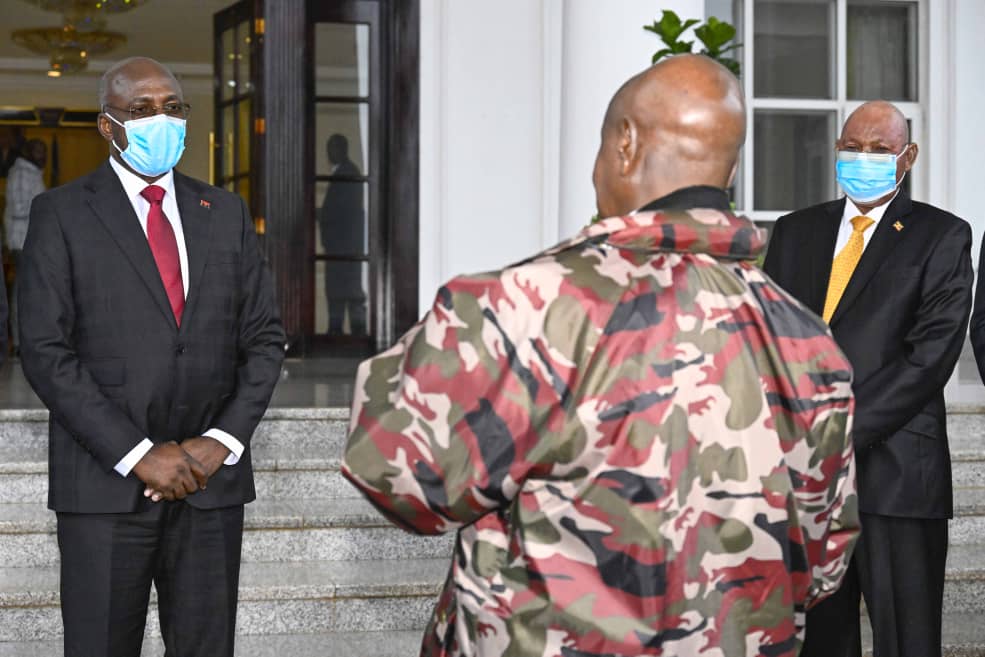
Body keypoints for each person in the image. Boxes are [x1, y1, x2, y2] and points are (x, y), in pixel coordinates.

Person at [343, 54, 859, 657]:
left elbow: (397, 470)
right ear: (732, 165)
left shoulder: (528, 304)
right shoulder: (808, 342)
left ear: (625, 143)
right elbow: (823, 562)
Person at [17, 57, 285, 657]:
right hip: (106, 486)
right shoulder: (60, 214)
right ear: (108, 126)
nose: (159, 119)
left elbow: (264, 338)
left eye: (171, 107)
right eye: (140, 109)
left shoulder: (226, 212)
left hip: (210, 485)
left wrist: (220, 441)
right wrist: (139, 455)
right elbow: (44, 350)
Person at [763, 101, 973, 657]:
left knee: (907, 639)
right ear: (836, 151)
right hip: (806, 481)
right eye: (852, 146)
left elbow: (929, 358)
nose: (864, 158)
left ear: (909, 156)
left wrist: (837, 431)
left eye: (880, 149)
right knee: (815, 640)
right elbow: (769, 342)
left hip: (898, 474)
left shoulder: (942, 235)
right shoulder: (793, 232)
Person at [319, 133, 367, 335]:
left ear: (343, 149)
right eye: (329, 147)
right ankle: (342, 333)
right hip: (344, 248)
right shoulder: (346, 173)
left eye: (335, 147)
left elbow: (340, 211)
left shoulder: (347, 174)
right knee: (343, 294)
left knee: (344, 294)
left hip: (343, 249)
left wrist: (321, 214)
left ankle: (343, 336)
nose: (330, 152)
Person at [3, 138, 47, 354]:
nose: (42, 155)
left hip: (29, 240)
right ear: (28, 152)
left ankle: (25, 341)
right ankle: (19, 343)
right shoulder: (22, 173)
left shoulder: (31, 172)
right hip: (22, 241)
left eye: (43, 150)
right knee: (23, 292)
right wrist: (47, 209)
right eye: (37, 150)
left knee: (30, 291)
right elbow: (20, 208)